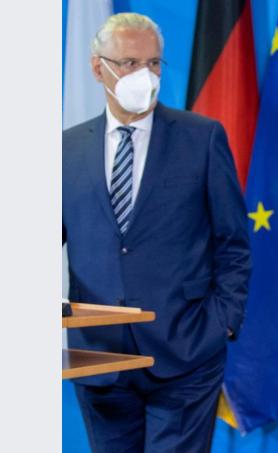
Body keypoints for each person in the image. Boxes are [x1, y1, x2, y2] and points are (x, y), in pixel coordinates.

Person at [62, 13, 251, 452]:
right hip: (100, 357)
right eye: (129, 63)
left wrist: (222, 322)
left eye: (153, 64)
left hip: (186, 351)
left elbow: (233, 242)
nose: (143, 75)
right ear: (98, 68)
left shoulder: (201, 138)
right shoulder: (66, 149)